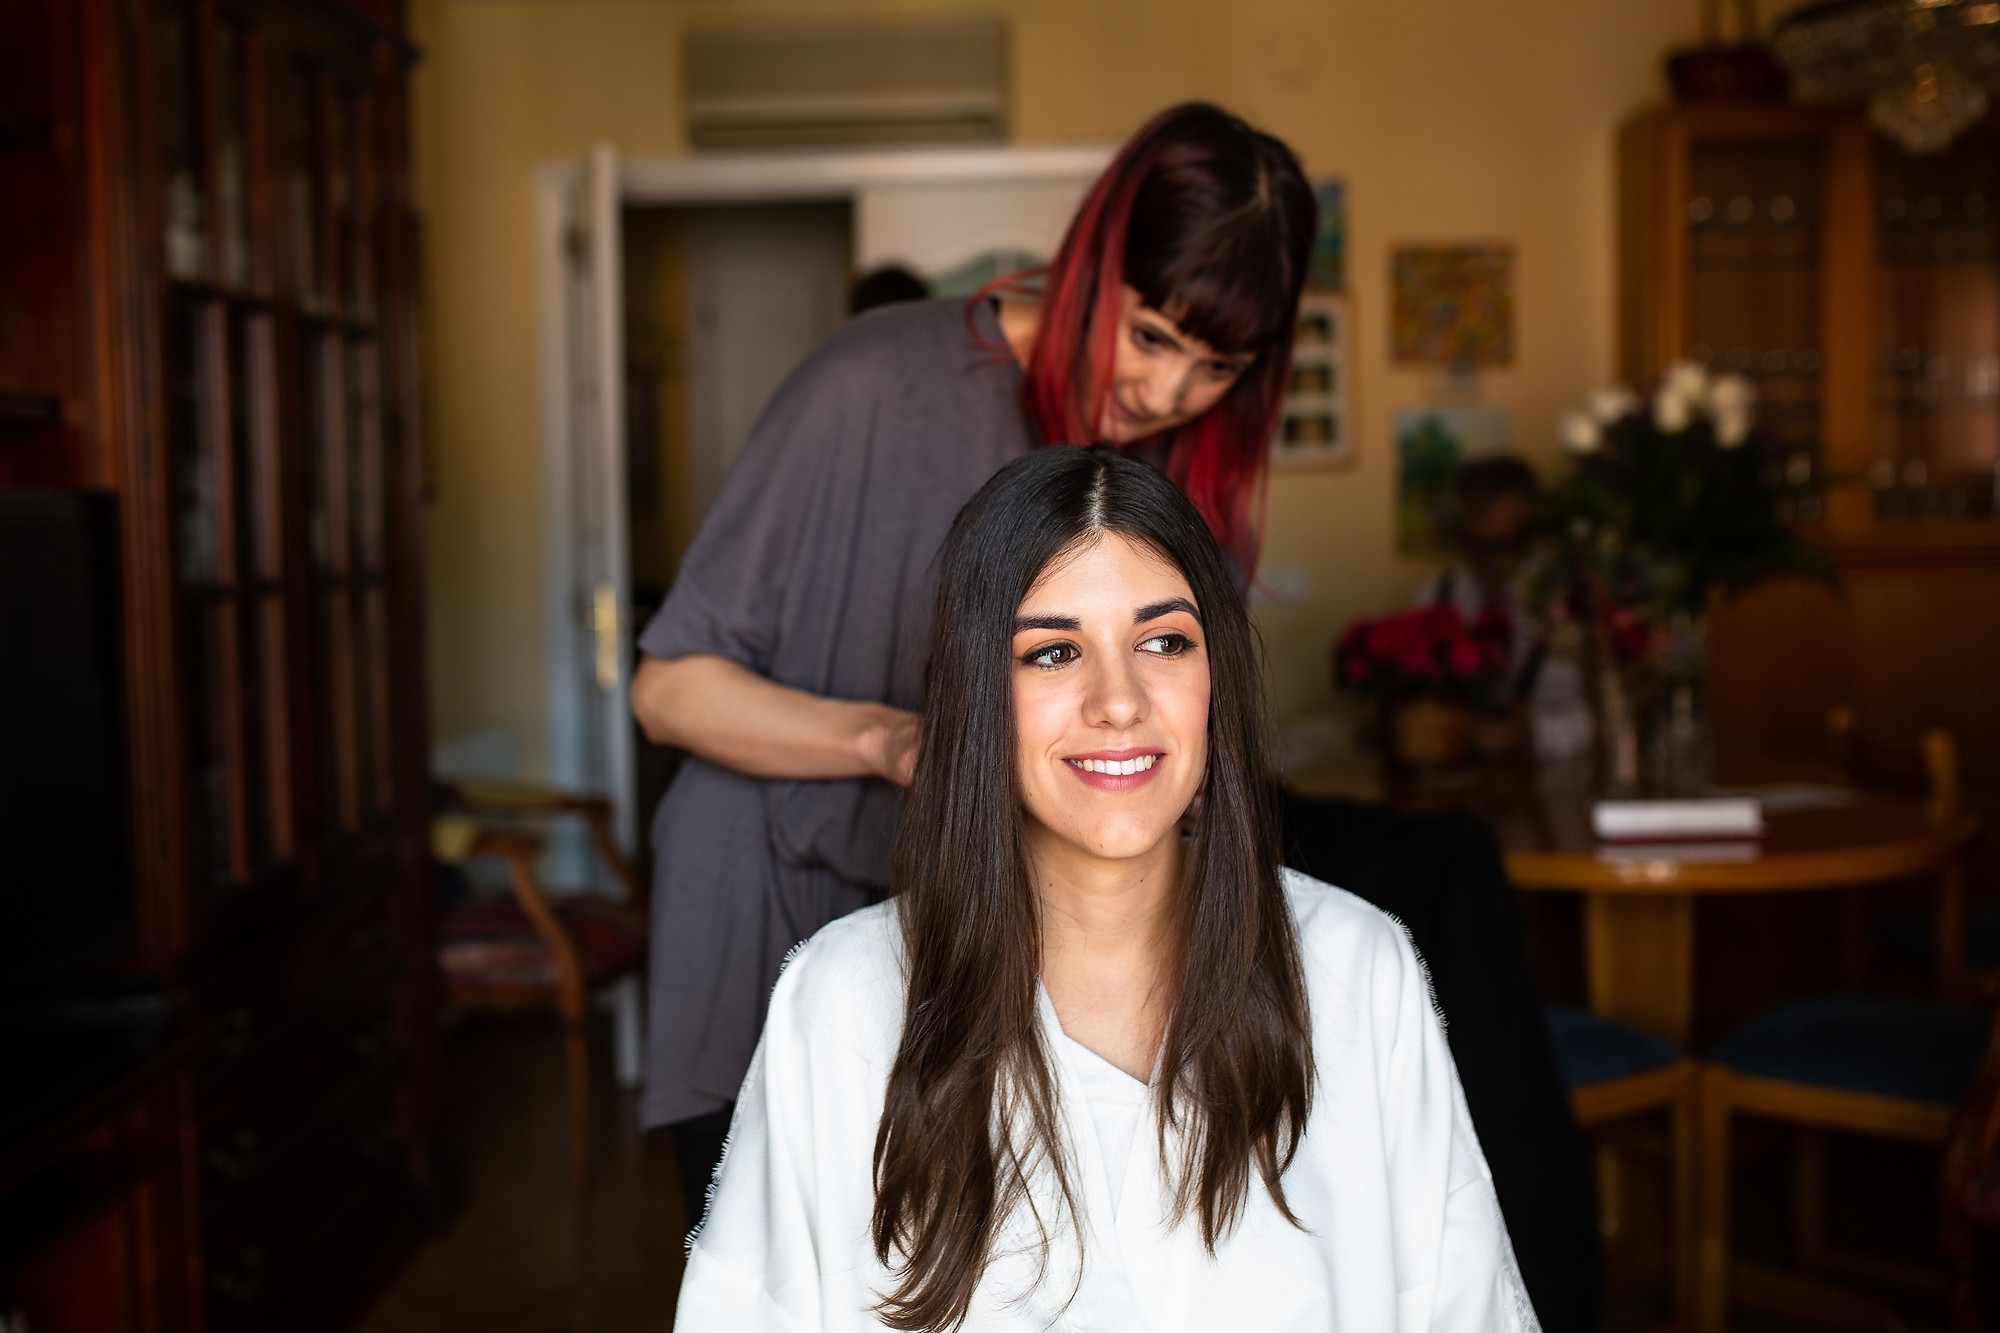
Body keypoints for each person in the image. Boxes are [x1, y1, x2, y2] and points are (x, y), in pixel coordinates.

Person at [627, 102, 1316, 1222]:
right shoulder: (868, 385)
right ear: (1091, 262)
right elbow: (668, 688)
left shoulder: (1182, 470)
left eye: (1214, 367)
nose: (1163, 394)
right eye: (1148, 335)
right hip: (771, 897)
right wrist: (885, 737)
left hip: (986, 938)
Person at [676, 447, 1538, 1332]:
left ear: (1217, 682)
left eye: (1163, 641)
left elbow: (1462, 1306)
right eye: (1053, 652)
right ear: (978, 697)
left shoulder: (1358, 969)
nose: (1118, 700)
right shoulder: (842, 1000)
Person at [1415, 455, 1592, 760]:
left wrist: (1537, 732)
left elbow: (1615, 716)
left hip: (1560, 783)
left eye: (1505, 545)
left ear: (1534, 533)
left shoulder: (1572, 598)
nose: (1490, 562)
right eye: (1475, 545)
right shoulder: (1434, 596)